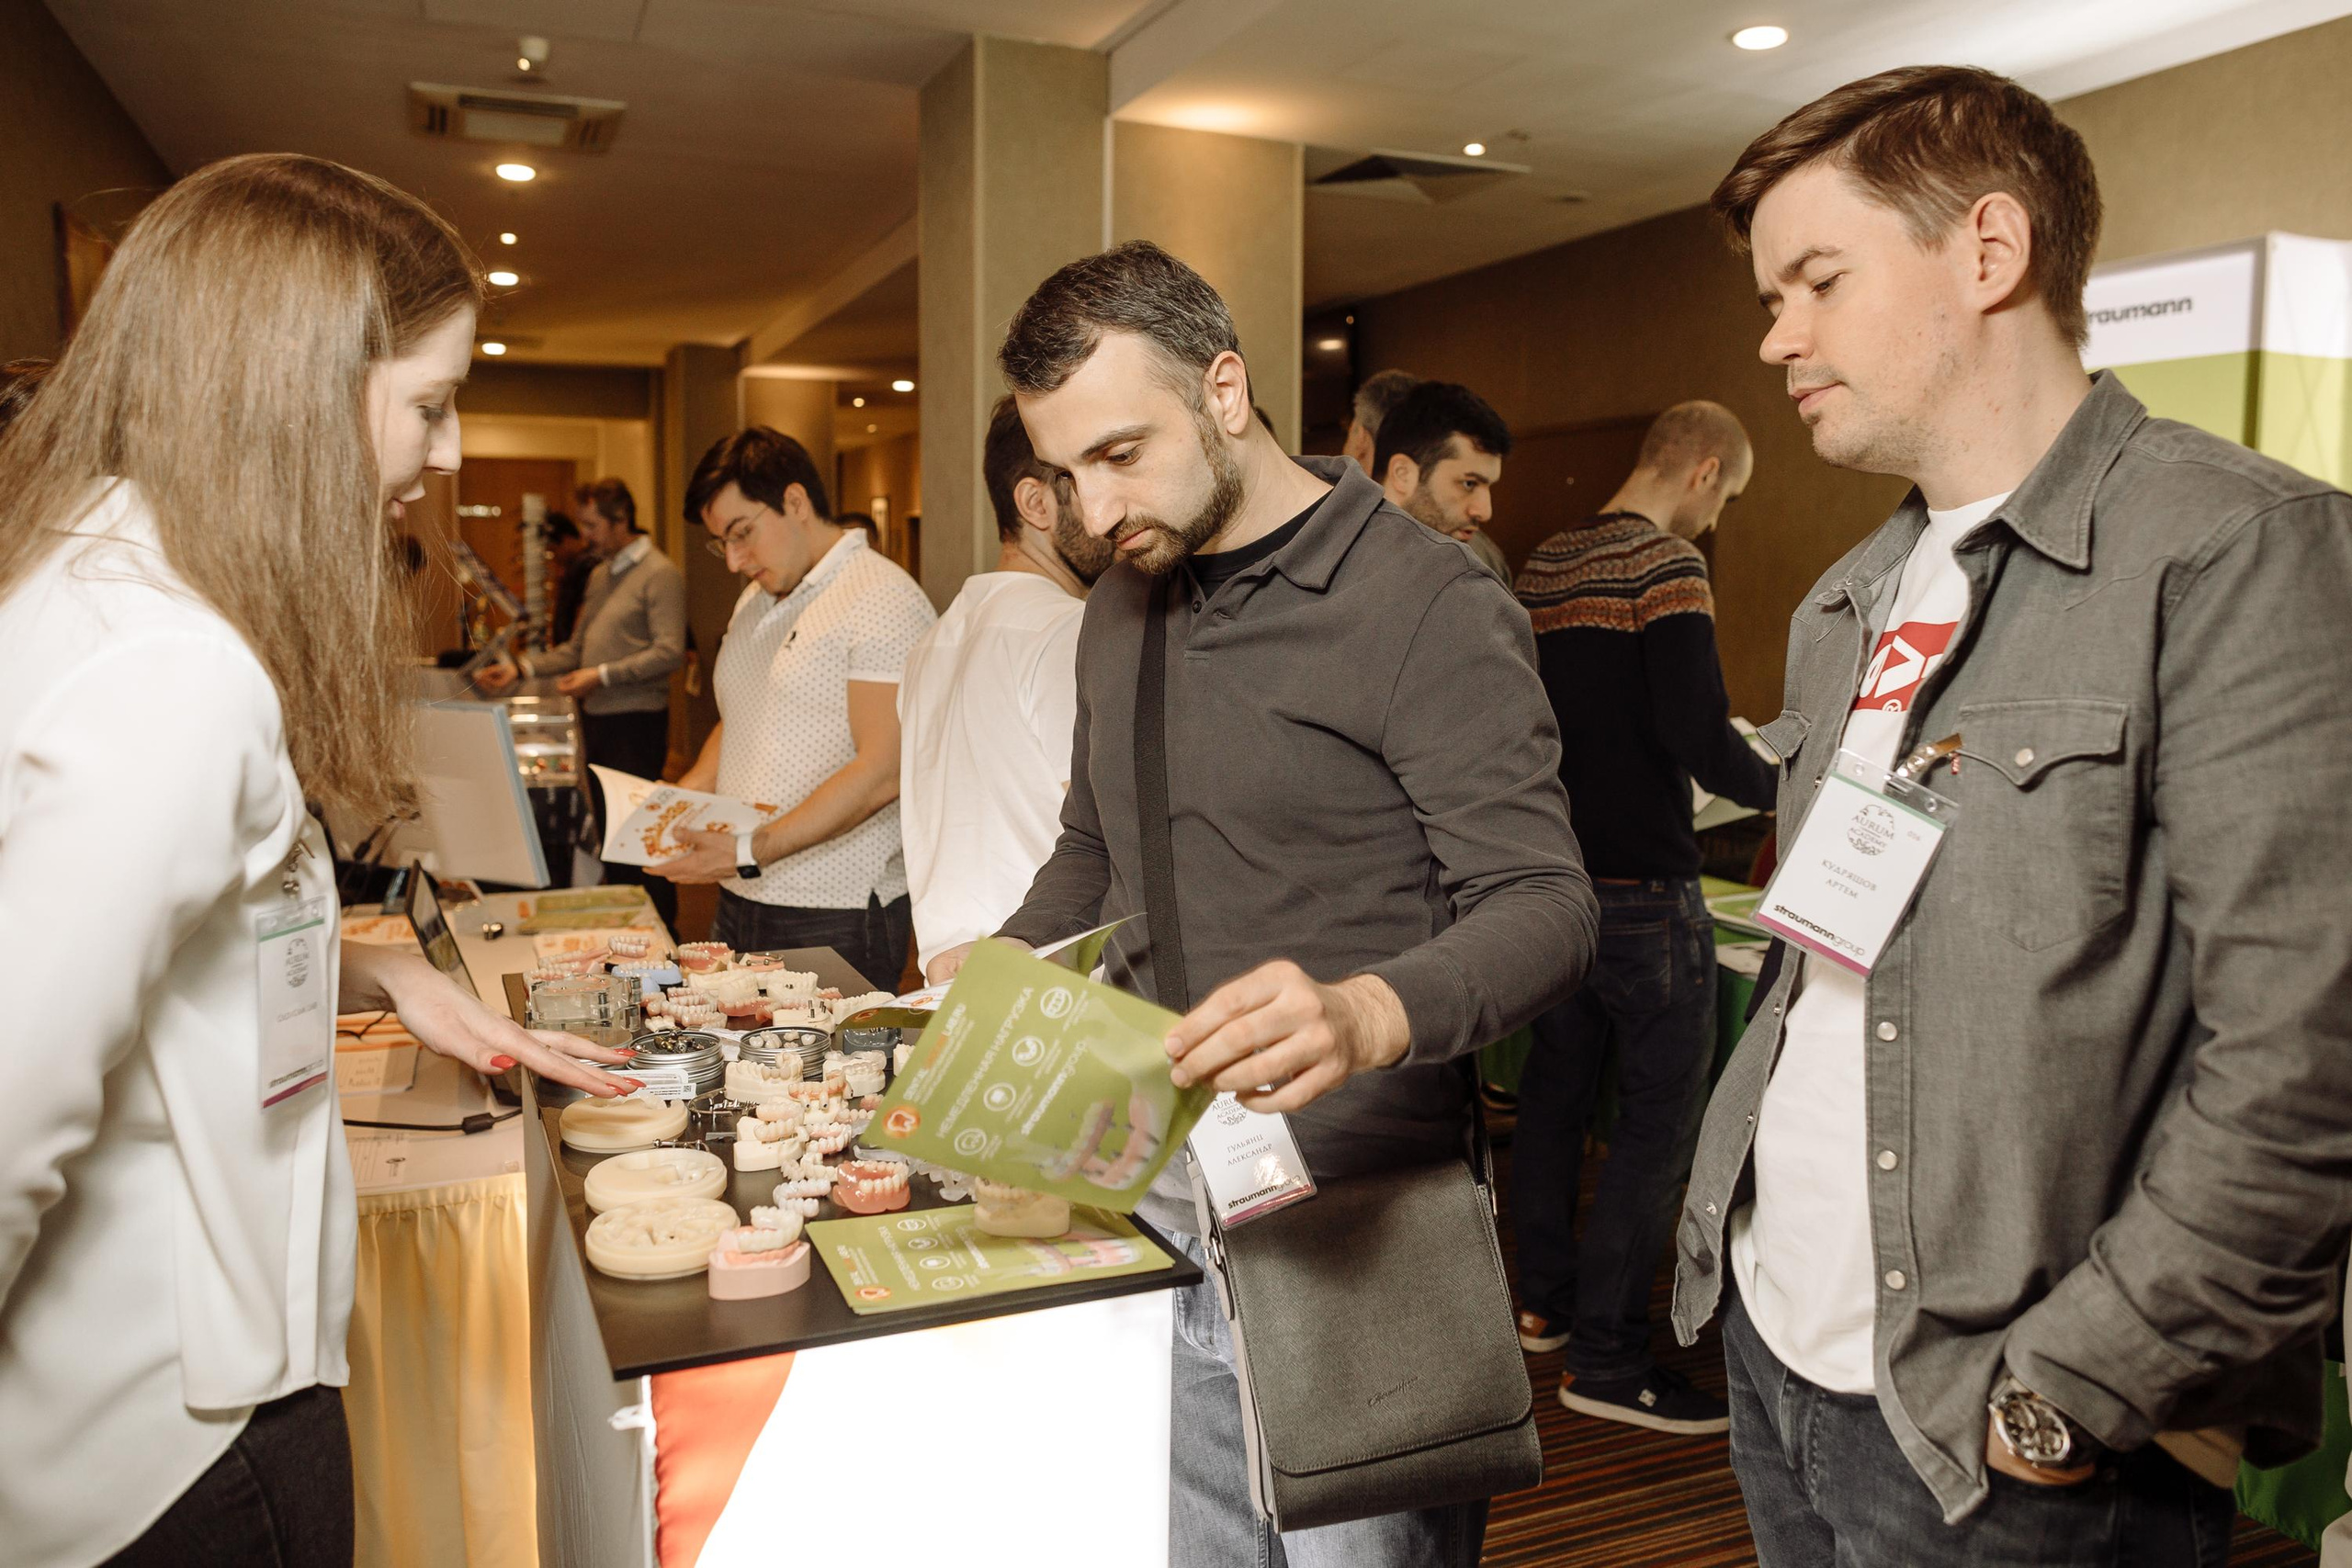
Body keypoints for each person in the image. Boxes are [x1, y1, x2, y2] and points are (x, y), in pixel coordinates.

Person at [1672, 65, 2352, 1564]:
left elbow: (2306, 1055)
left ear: (1988, 253)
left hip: (2009, 1426)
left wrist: (2073, 1388)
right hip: (1783, 1354)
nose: (1776, 334)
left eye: (1818, 280)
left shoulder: (2236, 548)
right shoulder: (1849, 598)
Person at [0, 152, 632, 1568]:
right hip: (174, 1441)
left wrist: (374, 959)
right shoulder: (169, 668)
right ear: (291, 387)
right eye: (428, 403)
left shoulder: (87, 583)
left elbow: (128, 920)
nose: (451, 450)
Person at [938, 241, 1596, 1568]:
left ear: (1226, 389)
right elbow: (1092, 842)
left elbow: (1546, 903)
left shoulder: (1426, 603)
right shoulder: (1124, 597)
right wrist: (1001, 965)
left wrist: (1364, 1011)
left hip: (1363, 1211)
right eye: (1063, 472)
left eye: (1121, 452)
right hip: (1166, 1179)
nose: (1089, 504)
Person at [1508, 400, 1776, 1435]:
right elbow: (1696, 735)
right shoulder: (1667, 568)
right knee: (1656, 1131)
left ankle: (1545, 1305)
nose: (1716, 523)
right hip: (1648, 899)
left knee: (1555, 1098)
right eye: (1728, 500)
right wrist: (1792, 789)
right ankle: (1612, 1363)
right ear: (1703, 470)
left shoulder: (1542, 564)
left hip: (1557, 885)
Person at [653, 428, 935, 991]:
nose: (734, 559)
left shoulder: (879, 597)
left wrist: (749, 849)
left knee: (824, 1078)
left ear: (796, 501)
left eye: (743, 533)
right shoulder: (756, 599)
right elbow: (743, 719)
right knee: (739, 1068)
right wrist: (672, 807)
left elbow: (884, 769)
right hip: (741, 890)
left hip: (834, 907)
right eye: (722, 542)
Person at [899, 397, 1114, 980]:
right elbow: (1109, 827)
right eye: (1083, 479)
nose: (1109, 509)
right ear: (1035, 503)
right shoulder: (1066, 629)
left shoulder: (934, 640)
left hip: (949, 966)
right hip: (1045, 971)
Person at [481, 478, 686, 925]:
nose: (586, 535)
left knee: (640, 837)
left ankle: (662, 934)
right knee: (613, 837)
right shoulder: (600, 574)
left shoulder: (660, 573)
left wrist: (602, 675)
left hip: (637, 723)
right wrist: (521, 668)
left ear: (621, 520)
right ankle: (629, 931)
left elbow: (670, 651)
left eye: (593, 525)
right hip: (598, 719)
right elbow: (577, 648)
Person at [1374, 380, 1516, 586]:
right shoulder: (1332, 557)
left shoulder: (1485, 561)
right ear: (1402, 474)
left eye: (1489, 487)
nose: (1485, 512)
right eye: (1469, 483)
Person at [543, 511, 593, 644]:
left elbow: (582, 613)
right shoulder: (573, 567)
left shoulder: (585, 566)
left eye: (554, 550)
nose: (555, 556)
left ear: (567, 540)